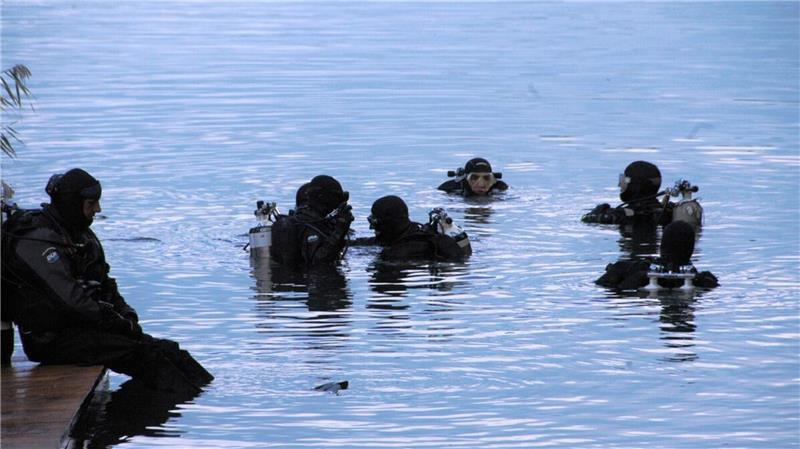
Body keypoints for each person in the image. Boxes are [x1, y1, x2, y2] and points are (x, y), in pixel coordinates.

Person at [1, 169, 213, 393]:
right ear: (73, 203)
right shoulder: (35, 239)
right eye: (92, 203)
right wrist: (118, 323)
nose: (98, 210)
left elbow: (105, 283)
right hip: (50, 340)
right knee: (147, 356)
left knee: (168, 351)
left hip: (85, 327)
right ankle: (164, 406)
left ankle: (203, 396)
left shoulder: (80, 235)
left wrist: (127, 315)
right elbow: (71, 300)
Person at [596, 220, 718, 291]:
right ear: (691, 248)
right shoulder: (701, 279)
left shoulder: (628, 269)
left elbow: (602, 286)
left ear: (662, 245)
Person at [270, 175, 354, 268]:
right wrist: (340, 229)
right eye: (336, 197)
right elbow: (319, 262)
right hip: (308, 280)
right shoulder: (309, 226)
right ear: (324, 198)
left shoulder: (318, 222)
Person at [365, 195, 468, 261]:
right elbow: (372, 242)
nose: (371, 227)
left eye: (374, 222)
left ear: (388, 224)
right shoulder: (413, 229)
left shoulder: (398, 253)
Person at [582, 160, 673, 226]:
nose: (619, 185)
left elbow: (587, 219)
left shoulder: (620, 215)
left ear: (634, 185)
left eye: (623, 181)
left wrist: (597, 212)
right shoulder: (667, 212)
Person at [438, 157, 509, 197]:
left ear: (492, 179)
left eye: (486, 178)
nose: (481, 184)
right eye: (474, 178)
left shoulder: (500, 187)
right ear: (465, 178)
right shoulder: (450, 187)